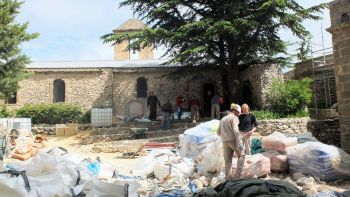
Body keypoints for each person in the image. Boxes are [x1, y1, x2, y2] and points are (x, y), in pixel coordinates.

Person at [217, 103, 243, 179]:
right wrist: (240, 142)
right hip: (232, 140)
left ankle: (228, 179)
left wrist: (225, 137)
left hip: (224, 141)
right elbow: (235, 130)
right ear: (235, 111)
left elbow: (218, 132)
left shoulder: (223, 119)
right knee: (242, 155)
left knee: (228, 161)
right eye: (238, 113)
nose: (238, 115)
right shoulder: (234, 118)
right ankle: (237, 177)